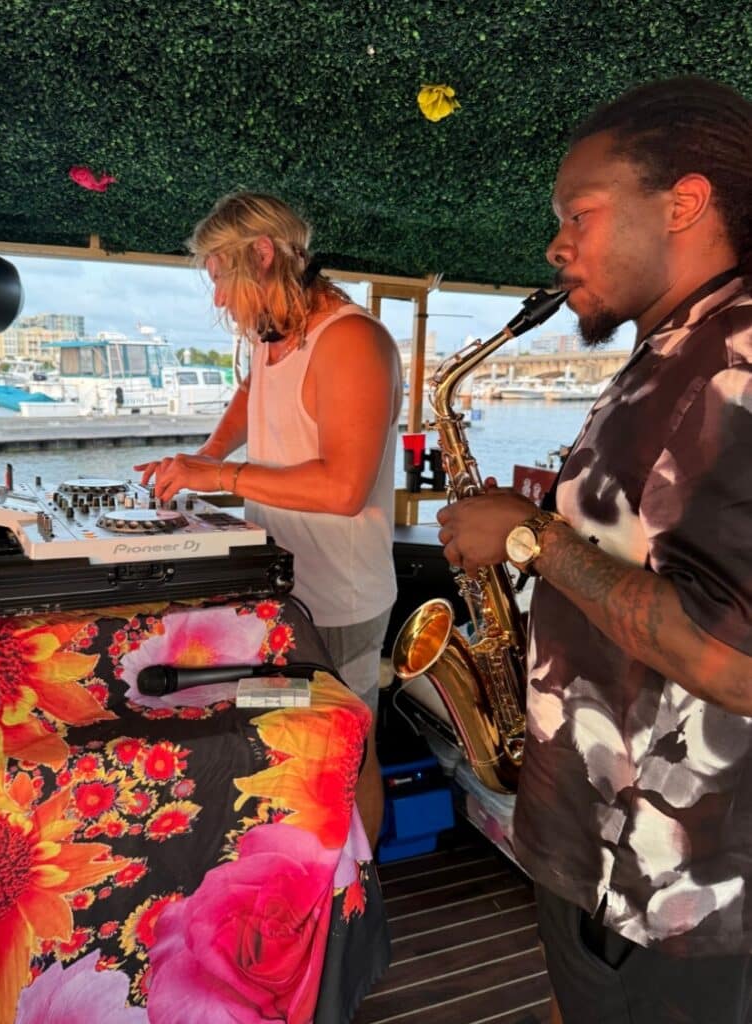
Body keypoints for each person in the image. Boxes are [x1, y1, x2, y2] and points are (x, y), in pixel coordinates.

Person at [437, 77, 752, 1023]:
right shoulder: (673, 350)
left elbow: (735, 660)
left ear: (683, 203)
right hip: (603, 849)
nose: (555, 245)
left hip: (678, 885)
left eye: (578, 213)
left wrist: (529, 540)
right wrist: (566, 516)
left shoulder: (738, 359)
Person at [136, 191, 402, 849]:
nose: (220, 299)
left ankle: (355, 886)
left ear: (261, 255)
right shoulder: (272, 337)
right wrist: (200, 459)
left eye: (221, 277)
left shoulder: (350, 341)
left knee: (346, 747)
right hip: (280, 590)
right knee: (279, 728)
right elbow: (250, 396)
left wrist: (218, 478)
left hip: (338, 602)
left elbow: (343, 489)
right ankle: (304, 860)